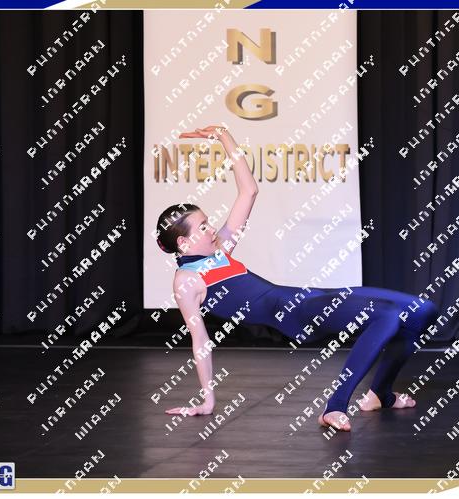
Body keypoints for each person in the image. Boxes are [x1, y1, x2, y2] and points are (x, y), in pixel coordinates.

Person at [155, 125, 438, 432]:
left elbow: (249, 191)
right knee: (388, 316)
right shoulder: (187, 280)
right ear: (183, 243)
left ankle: (380, 394)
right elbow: (200, 341)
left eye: (208, 222)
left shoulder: (220, 248)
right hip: (295, 315)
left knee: (423, 310)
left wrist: (224, 136)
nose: (211, 228)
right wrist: (208, 400)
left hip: (306, 297)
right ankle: (334, 408)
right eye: (202, 227)